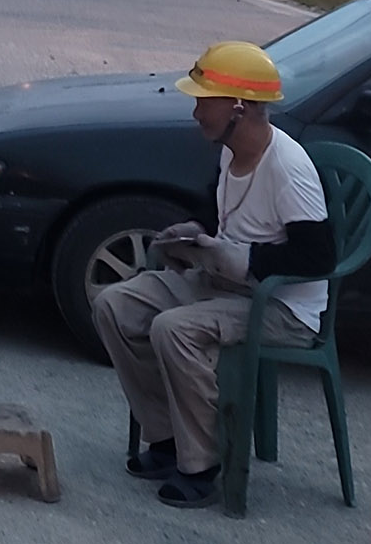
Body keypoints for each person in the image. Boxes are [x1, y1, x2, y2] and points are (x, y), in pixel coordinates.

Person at [89, 38, 332, 507]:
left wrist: (245, 259)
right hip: (226, 284)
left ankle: (201, 463)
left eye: (205, 101)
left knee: (173, 329)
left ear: (239, 107)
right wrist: (195, 231)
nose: (197, 111)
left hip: (280, 306)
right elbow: (219, 209)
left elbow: (318, 256)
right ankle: (165, 439)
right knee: (113, 305)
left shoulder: (288, 166)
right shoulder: (228, 149)